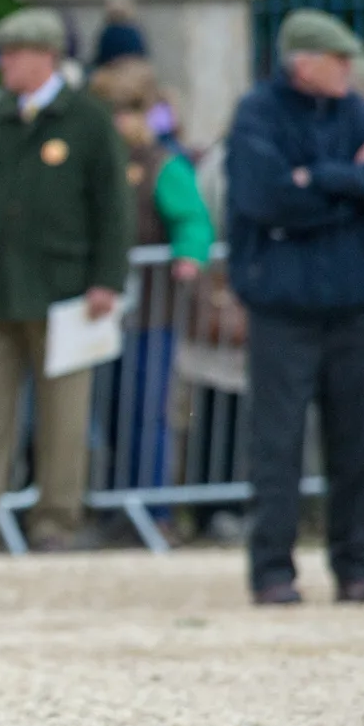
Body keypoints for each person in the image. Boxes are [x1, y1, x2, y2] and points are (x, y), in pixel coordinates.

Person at [0, 7, 131, 555]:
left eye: (15, 54)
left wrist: (107, 278)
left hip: (66, 290)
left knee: (64, 416)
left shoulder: (86, 120)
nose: (5, 65)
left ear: (46, 55)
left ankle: (56, 521)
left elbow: (114, 206)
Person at [226, 10, 364, 605]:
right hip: (283, 307)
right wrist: (353, 183)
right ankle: (273, 569)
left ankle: (358, 567)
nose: (348, 70)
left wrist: (319, 179)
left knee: (357, 443)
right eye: (338, 60)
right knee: (277, 444)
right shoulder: (257, 115)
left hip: (352, 304)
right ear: (304, 62)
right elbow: (265, 196)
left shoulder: (356, 112)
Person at [87, 60, 212, 510]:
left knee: (147, 411)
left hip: (151, 312)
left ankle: (152, 509)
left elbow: (193, 219)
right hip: (98, 314)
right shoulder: (96, 161)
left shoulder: (163, 165)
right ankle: (114, 506)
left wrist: (188, 254)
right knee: (108, 413)